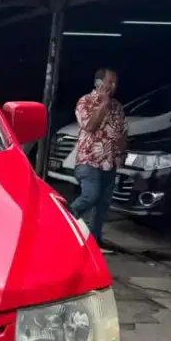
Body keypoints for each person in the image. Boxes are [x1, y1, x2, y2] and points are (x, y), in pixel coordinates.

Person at [70, 67, 128, 248]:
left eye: (116, 83)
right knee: (90, 196)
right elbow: (89, 126)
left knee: (102, 205)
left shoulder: (118, 107)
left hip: (109, 163)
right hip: (89, 161)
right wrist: (102, 104)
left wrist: (121, 154)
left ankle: (93, 242)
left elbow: (122, 133)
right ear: (99, 83)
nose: (114, 86)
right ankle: (64, 220)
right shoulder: (85, 102)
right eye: (110, 82)